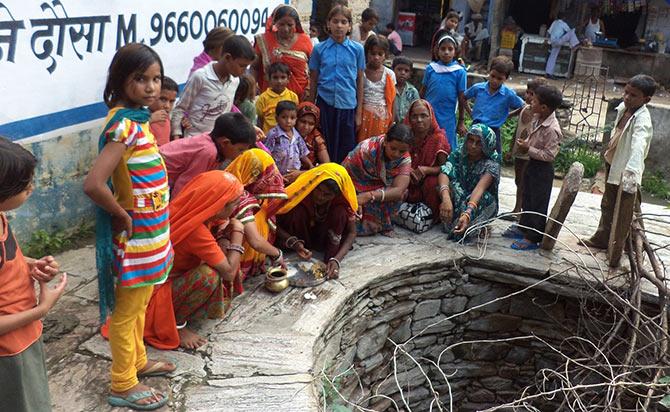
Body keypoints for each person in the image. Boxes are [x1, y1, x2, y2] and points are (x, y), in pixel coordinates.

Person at [83, 43, 175, 410]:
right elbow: (93, 183)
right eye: (141, 79)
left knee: (140, 303)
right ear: (121, 80)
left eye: (155, 78)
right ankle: (122, 382)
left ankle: (136, 362)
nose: (152, 87)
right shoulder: (124, 126)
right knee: (126, 312)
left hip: (153, 231)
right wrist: (121, 216)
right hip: (137, 235)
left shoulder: (137, 120)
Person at [0, 137, 67, 412]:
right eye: (24, 184)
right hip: (8, 349)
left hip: (24, 335)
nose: (31, 188)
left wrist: (31, 265)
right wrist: (41, 309)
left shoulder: (1, 216)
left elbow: (9, 260)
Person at [143, 171, 245, 350]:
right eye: (234, 204)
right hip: (155, 293)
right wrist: (238, 234)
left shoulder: (190, 208)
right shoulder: (195, 231)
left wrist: (223, 235)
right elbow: (228, 272)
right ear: (219, 206)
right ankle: (176, 324)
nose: (235, 209)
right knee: (209, 276)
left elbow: (221, 222)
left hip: (152, 280)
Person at [581, 75, 655, 252]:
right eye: (626, 92)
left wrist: (631, 173)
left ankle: (634, 244)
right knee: (608, 203)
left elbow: (639, 145)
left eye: (633, 95)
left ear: (646, 99)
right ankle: (603, 237)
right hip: (613, 164)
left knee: (630, 209)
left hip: (627, 171)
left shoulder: (642, 120)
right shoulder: (623, 109)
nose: (627, 97)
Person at [504, 85, 563, 250]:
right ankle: (524, 227)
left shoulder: (552, 129)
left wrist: (528, 149)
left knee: (538, 203)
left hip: (543, 169)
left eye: (534, 101)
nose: (531, 103)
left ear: (544, 107)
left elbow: (549, 155)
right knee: (527, 196)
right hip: (532, 164)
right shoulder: (538, 118)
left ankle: (533, 237)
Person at [275, 163, 358, 279]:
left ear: (336, 195)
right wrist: (292, 241)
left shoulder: (342, 202)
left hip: (323, 239)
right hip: (299, 237)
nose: (320, 196)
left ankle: (329, 254)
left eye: (327, 195)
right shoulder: (303, 189)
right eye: (318, 190)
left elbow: (352, 233)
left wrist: (336, 260)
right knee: (297, 210)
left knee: (340, 213)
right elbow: (271, 220)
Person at [308, 5, 365, 163]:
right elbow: (313, 80)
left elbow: (360, 80)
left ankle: (342, 182)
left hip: (348, 107)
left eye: (343, 22)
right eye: (335, 21)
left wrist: (359, 113)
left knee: (346, 149)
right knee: (323, 146)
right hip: (324, 106)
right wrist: (311, 107)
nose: (339, 25)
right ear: (328, 24)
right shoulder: (319, 49)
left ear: (350, 26)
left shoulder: (357, 50)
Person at [224, 149, 287, 289]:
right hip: (222, 254)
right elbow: (256, 242)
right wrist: (277, 254)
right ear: (254, 175)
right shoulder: (237, 195)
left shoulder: (229, 179)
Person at [172, 35, 255, 138]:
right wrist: (176, 137)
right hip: (194, 140)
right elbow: (179, 108)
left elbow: (227, 112)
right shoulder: (200, 77)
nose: (244, 70)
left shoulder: (235, 81)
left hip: (218, 141)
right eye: (242, 66)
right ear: (227, 57)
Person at [160, 112, 257, 196]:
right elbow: (185, 186)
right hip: (156, 172)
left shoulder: (214, 140)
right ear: (225, 143)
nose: (241, 154)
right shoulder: (208, 152)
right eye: (240, 150)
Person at [343, 123, 413, 236]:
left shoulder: (404, 159)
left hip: (375, 194)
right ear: (385, 141)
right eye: (393, 148)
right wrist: (355, 197)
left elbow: (399, 190)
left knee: (403, 193)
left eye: (401, 151)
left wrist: (369, 196)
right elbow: (344, 175)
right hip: (354, 189)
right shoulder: (366, 149)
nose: (396, 154)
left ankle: (381, 224)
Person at [438, 123, 500, 240]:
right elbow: (445, 171)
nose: (473, 146)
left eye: (478, 143)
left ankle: (475, 223)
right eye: (470, 140)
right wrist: (446, 198)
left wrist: (468, 212)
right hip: (461, 194)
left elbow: (480, 188)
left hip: (478, 200)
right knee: (448, 186)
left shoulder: (492, 162)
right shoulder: (459, 153)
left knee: (484, 198)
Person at [464, 56, 525, 156]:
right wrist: (470, 112)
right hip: (476, 127)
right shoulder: (478, 88)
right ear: (489, 72)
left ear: (506, 78)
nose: (495, 80)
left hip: (494, 130)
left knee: (494, 157)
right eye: (492, 76)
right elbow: (463, 97)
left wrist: (509, 115)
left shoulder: (508, 94)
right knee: (470, 154)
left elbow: (522, 106)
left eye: (499, 78)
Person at [403, 100, 451, 219]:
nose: (419, 120)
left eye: (423, 116)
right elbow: (394, 159)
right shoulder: (405, 136)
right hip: (406, 175)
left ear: (431, 117)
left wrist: (426, 170)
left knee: (432, 183)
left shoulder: (438, 138)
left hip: (426, 179)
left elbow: (446, 168)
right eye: (414, 116)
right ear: (409, 118)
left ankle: (431, 216)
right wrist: (408, 170)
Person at [253, 5, 313, 100]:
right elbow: (254, 68)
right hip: (270, 98)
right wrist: (251, 88)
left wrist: (310, 89)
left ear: (296, 24)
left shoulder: (305, 41)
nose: (285, 29)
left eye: (290, 25)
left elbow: (314, 69)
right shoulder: (264, 41)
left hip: (300, 96)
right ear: (275, 23)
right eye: (281, 24)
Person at [421, 31, 467, 150]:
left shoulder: (460, 71)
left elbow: (462, 98)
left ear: (455, 51)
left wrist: (461, 121)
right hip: (429, 114)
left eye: (450, 49)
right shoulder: (431, 69)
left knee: (446, 145)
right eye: (443, 49)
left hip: (448, 116)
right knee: (428, 144)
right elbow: (423, 92)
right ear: (437, 51)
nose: (446, 52)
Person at [508, 77, 546, 219]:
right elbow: (517, 129)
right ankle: (517, 207)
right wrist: (511, 148)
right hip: (519, 151)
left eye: (532, 94)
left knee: (525, 182)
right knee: (518, 180)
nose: (528, 97)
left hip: (528, 153)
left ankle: (521, 210)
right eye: (527, 93)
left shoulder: (539, 115)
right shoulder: (524, 108)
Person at [357, 34, 396, 142]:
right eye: (373, 53)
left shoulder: (389, 74)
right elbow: (358, 96)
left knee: (379, 146)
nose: (376, 57)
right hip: (364, 116)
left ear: (386, 55)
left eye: (380, 54)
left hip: (382, 118)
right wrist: (358, 116)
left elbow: (392, 99)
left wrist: (392, 121)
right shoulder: (361, 73)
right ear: (366, 53)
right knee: (363, 145)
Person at [265, 100, 313, 182]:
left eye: (292, 118)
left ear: (296, 119)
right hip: (277, 176)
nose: (288, 121)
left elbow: (302, 153)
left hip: (294, 176)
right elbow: (266, 156)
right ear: (277, 118)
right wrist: (273, 173)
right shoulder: (273, 135)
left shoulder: (297, 135)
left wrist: (310, 166)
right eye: (284, 117)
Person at [256, 62, 300, 133]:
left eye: (283, 77)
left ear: (288, 79)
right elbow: (260, 119)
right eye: (275, 77)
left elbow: (294, 117)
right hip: (268, 136)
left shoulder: (293, 97)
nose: (279, 81)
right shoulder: (263, 98)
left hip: (287, 136)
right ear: (269, 79)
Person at [545, 12, 580, 78]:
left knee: (552, 56)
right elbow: (569, 31)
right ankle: (575, 45)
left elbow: (549, 32)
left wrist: (547, 40)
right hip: (558, 41)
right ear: (564, 18)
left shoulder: (554, 22)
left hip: (553, 41)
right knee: (572, 31)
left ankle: (548, 73)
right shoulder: (563, 24)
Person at [297, 101, 330, 166]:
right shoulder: (286, 133)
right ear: (296, 119)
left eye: (311, 124)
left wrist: (300, 173)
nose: (306, 127)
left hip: (309, 172)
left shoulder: (316, 138)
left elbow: (326, 165)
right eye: (303, 121)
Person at [148, 76, 178, 147]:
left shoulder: (168, 116)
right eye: (163, 99)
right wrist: (150, 119)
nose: (167, 106)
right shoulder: (142, 116)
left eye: (171, 101)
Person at [392, 57, 420, 123]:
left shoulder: (412, 91)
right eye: (399, 69)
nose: (403, 73)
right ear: (392, 70)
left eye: (406, 71)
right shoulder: (389, 88)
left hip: (407, 126)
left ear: (410, 74)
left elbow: (417, 109)